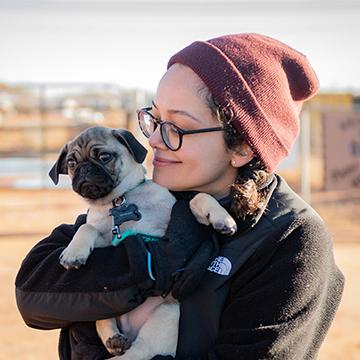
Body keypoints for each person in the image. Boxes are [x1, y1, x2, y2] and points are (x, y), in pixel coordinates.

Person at [16, 33, 344, 359]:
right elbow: (32, 294)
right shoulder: (143, 199)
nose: (155, 139)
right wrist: (145, 270)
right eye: (154, 119)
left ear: (242, 146)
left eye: (177, 127)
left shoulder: (291, 238)